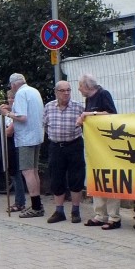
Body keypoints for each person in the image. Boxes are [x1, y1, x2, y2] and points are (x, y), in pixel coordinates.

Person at [76, 74, 120, 229]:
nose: (79, 89)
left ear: (88, 86)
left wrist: (90, 114)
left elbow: (112, 114)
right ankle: (100, 214)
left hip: (106, 144)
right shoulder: (89, 99)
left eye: (80, 86)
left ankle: (114, 216)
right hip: (94, 145)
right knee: (96, 177)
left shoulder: (103, 94)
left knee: (109, 178)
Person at [0, 73, 44, 218]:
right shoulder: (33, 91)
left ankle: (36, 207)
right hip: (36, 135)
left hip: (26, 137)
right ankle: (37, 203)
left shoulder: (20, 94)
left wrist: (6, 113)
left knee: (27, 171)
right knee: (34, 170)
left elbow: (22, 117)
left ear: (13, 85)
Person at [42, 81, 85, 224]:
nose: (66, 93)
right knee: (56, 178)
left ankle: (75, 210)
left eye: (68, 90)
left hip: (74, 145)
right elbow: (45, 126)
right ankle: (59, 211)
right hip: (55, 146)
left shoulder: (79, 107)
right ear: (56, 92)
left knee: (76, 177)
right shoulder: (49, 107)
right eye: (62, 90)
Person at [2, 90, 25, 213]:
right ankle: (19, 200)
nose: (10, 100)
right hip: (9, 144)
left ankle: (20, 202)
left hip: (16, 144)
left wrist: (3, 131)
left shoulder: (16, 113)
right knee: (13, 173)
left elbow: (9, 131)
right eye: (9, 97)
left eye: (13, 98)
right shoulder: (9, 113)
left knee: (17, 174)